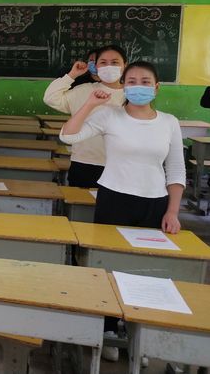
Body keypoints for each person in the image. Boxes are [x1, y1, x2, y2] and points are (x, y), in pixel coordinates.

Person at [59, 61, 185, 362]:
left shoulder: (169, 122)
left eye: (145, 81)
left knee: (147, 271)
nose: (138, 86)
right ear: (124, 87)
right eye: (132, 81)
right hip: (113, 199)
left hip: (154, 203)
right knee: (109, 267)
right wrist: (90, 103)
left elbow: (176, 169)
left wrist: (173, 211)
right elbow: (68, 136)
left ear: (156, 87)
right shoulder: (109, 115)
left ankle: (139, 334)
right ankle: (108, 330)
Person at [43, 45, 127, 189]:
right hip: (85, 163)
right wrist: (72, 75)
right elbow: (51, 99)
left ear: (125, 65)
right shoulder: (84, 90)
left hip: (122, 165)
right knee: (80, 202)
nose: (109, 66)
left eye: (115, 62)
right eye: (103, 62)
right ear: (96, 66)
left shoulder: (133, 95)